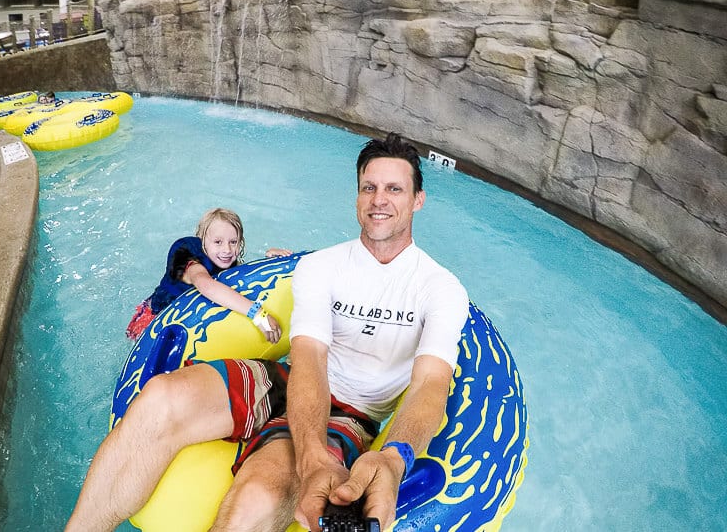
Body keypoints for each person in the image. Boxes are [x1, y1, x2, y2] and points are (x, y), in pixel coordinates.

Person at [65, 133, 469, 532]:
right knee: (162, 397)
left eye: (394, 188)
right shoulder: (322, 267)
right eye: (370, 187)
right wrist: (311, 456)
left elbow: (430, 385)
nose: (380, 199)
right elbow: (309, 355)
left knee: (258, 496)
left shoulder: (441, 288)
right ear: (358, 196)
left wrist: (394, 456)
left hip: (351, 413)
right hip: (288, 377)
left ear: (418, 199)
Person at [125, 207, 292, 341]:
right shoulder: (188, 257)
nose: (226, 249)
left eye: (233, 242)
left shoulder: (224, 258)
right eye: (218, 242)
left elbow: (243, 279)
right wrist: (259, 315)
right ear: (202, 240)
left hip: (190, 315)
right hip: (154, 316)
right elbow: (207, 285)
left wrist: (269, 260)